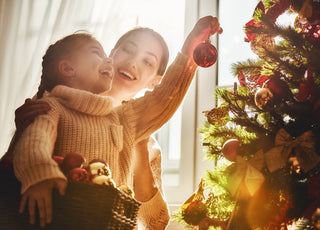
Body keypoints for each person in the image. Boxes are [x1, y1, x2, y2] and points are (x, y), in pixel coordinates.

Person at [5, 16, 222, 229]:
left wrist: (191, 50)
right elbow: (14, 177)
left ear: (155, 82)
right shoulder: (51, 106)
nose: (133, 62)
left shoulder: (134, 127)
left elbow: (155, 224)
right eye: (128, 49)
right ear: (111, 55)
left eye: (147, 61)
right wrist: (23, 141)